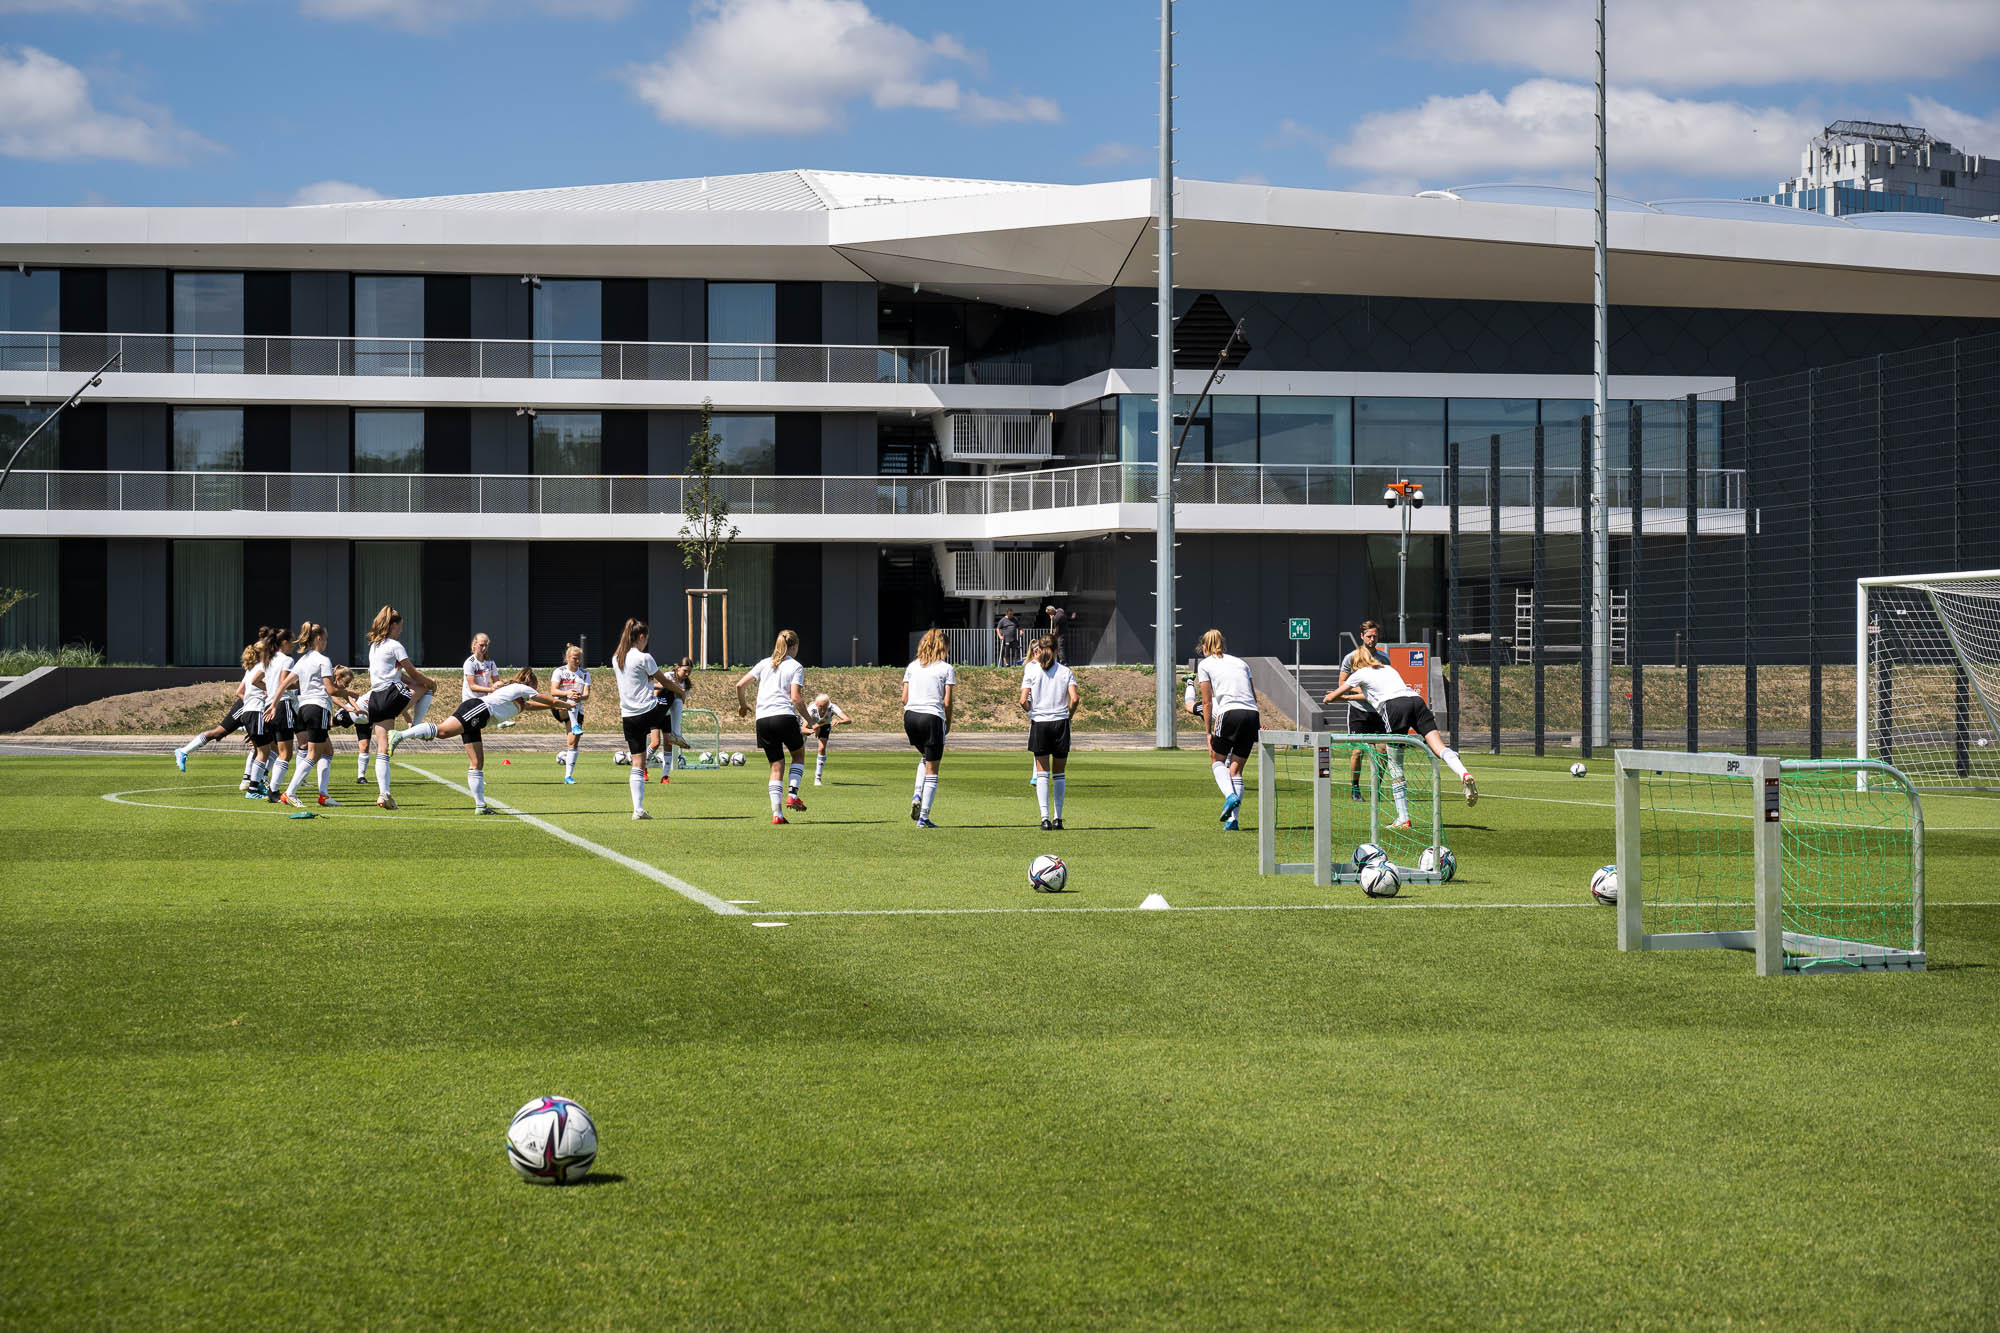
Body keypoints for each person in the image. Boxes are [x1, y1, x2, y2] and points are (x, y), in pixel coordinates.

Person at [391, 667, 572, 814]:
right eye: (535, 686)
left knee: (477, 763)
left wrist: (557, 705)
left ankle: (480, 806)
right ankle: (399, 735)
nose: (535, 690)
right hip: (478, 709)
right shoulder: (523, 688)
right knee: (443, 732)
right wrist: (568, 704)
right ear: (530, 683)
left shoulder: (519, 699)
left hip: (480, 717)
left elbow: (534, 705)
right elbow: (549, 701)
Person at [1323, 646, 1478, 807]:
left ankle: (1403, 816)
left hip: (1395, 708)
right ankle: (1463, 773)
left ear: (1357, 664)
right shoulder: (1388, 669)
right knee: (1439, 748)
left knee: (1395, 764)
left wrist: (1329, 698)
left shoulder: (1360, 673)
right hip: (1417, 701)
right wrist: (1347, 697)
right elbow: (1371, 695)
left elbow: (1333, 696)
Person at [363, 606, 437, 812]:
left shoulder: (374, 646)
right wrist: (431, 682)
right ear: (393, 625)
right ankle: (417, 728)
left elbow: (396, 674)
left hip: (375, 698)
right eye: (400, 627)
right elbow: (413, 673)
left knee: (382, 747)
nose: (401, 630)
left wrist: (415, 681)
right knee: (425, 687)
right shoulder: (395, 645)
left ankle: (383, 794)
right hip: (390, 693)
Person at [610, 618, 682, 820]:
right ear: (641, 636)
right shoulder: (644, 657)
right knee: (673, 695)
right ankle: (676, 733)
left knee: (638, 764)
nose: (646, 643)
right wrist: (681, 691)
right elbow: (665, 681)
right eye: (646, 639)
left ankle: (638, 809)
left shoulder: (617, 658)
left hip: (628, 717)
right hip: (648, 712)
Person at [737, 629, 809, 825]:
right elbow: (796, 698)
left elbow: (740, 685)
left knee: (776, 766)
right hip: (783, 716)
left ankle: (777, 814)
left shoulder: (764, 663)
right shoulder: (795, 666)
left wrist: (743, 705)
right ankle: (792, 795)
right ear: (794, 646)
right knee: (798, 755)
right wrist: (810, 721)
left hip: (763, 720)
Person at [276, 622, 350, 809]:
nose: (326, 643)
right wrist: (350, 694)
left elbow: (284, 684)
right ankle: (290, 793)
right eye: (325, 639)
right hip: (318, 708)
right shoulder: (323, 660)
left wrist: (273, 704)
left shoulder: (302, 661)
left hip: (303, 709)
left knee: (327, 751)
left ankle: (324, 796)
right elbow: (331, 690)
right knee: (314, 754)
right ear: (318, 638)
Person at [1195, 628, 1258, 831]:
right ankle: (1233, 820)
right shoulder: (1241, 663)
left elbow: (1207, 702)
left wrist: (1208, 732)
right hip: (1252, 714)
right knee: (1236, 770)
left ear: (1204, 647)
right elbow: (1253, 696)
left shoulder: (1205, 664)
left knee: (1217, 760)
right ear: (1223, 643)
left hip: (1229, 713)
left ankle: (1229, 795)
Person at [1021, 637, 1080, 830]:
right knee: (1059, 773)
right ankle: (1058, 818)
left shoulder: (1031, 670)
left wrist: (1032, 713)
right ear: (1056, 650)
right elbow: (1075, 699)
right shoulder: (1065, 671)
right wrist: (1069, 716)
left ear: (1039, 649)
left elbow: (1022, 700)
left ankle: (1044, 819)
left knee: (1042, 773)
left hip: (1040, 723)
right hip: (1060, 723)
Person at [173, 641, 257, 772]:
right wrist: (252, 709)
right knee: (219, 733)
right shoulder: (257, 668)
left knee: (261, 744)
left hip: (255, 707)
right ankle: (183, 751)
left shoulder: (260, 667)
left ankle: (253, 779)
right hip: (247, 706)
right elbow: (240, 692)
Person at [902, 627, 955, 828]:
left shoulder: (912, 666)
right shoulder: (946, 668)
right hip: (931, 717)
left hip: (910, 717)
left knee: (925, 756)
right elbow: (947, 702)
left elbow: (904, 698)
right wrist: (947, 722)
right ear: (944, 647)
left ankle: (917, 793)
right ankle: (923, 817)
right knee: (933, 768)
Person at [1338, 620, 1391, 805]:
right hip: (1358, 711)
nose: (1372, 639)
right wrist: (1362, 691)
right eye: (1369, 636)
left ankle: (1377, 788)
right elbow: (1342, 684)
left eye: (1375, 636)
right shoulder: (1351, 658)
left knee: (1383, 750)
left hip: (1378, 710)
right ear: (1361, 636)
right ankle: (1355, 788)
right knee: (1358, 750)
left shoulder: (1384, 659)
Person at [259, 626, 301, 805]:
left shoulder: (268, 659)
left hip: (268, 706)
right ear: (284, 642)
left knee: (277, 751)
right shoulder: (287, 660)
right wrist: (300, 685)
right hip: (282, 706)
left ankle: (268, 786)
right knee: (286, 753)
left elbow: (256, 680)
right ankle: (273, 790)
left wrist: (270, 692)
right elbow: (285, 683)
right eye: (292, 642)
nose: (293, 645)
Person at [239, 629, 278, 799]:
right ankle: (252, 789)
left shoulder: (252, 668)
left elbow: (241, 691)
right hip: (256, 711)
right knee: (263, 752)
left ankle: (257, 784)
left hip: (249, 711)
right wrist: (271, 691)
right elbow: (263, 685)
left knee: (268, 748)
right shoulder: (263, 667)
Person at [549, 643, 591, 786]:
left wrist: (579, 696)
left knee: (572, 743)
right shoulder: (559, 671)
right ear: (567, 658)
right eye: (574, 658)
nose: (577, 661)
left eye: (579, 658)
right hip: (560, 707)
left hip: (576, 709)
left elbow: (586, 695)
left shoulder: (585, 674)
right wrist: (568, 693)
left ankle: (568, 777)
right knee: (571, 698)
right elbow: (553, 691)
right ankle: (575, 725)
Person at [805, 691, 850, 786]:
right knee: (800, 747)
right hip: (811, 724)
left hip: (825, 725)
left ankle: (818, 778)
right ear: (816, 704)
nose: (822, 710)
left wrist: (839, 721)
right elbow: (803, 728)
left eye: (824, 707)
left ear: (828, 704)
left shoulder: (832, 707)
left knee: (821, 748)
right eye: (820, 707)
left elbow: (848, 720)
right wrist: (813, 730)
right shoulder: (811, 709)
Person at [463, 633, 500, 702]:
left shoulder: (491, 662)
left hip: (485, 700)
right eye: (481, 645)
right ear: (474, 645)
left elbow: (496, 681)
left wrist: (500, 685)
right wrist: (491, 690)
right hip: (471, 701)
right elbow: (472, 686)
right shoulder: (470, 662)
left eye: (486, 645)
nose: (484, 648)